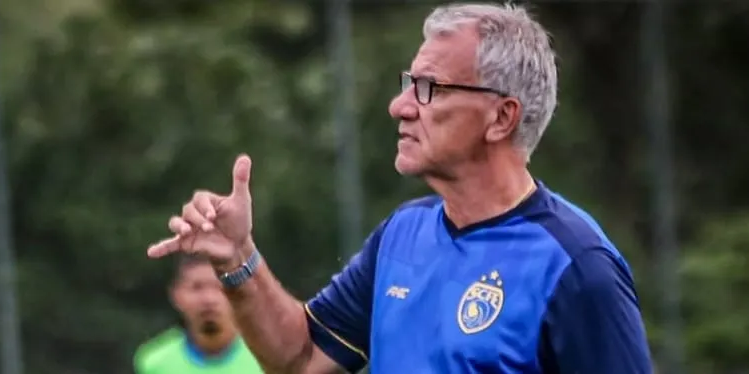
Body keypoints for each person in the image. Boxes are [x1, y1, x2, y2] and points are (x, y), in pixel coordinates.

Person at [146, 3, 653, 373]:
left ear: (501, 117)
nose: (401, 106)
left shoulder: (576, 267)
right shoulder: (402, 235)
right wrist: (237, 258)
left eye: (428, 88)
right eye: (409, 83)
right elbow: (301, 358)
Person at [133, 254, 263, 373]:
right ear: (176, 294)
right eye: (197, 287)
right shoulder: (154, 362)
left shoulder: (266, 356)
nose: (209, 299)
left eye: (220, 287)